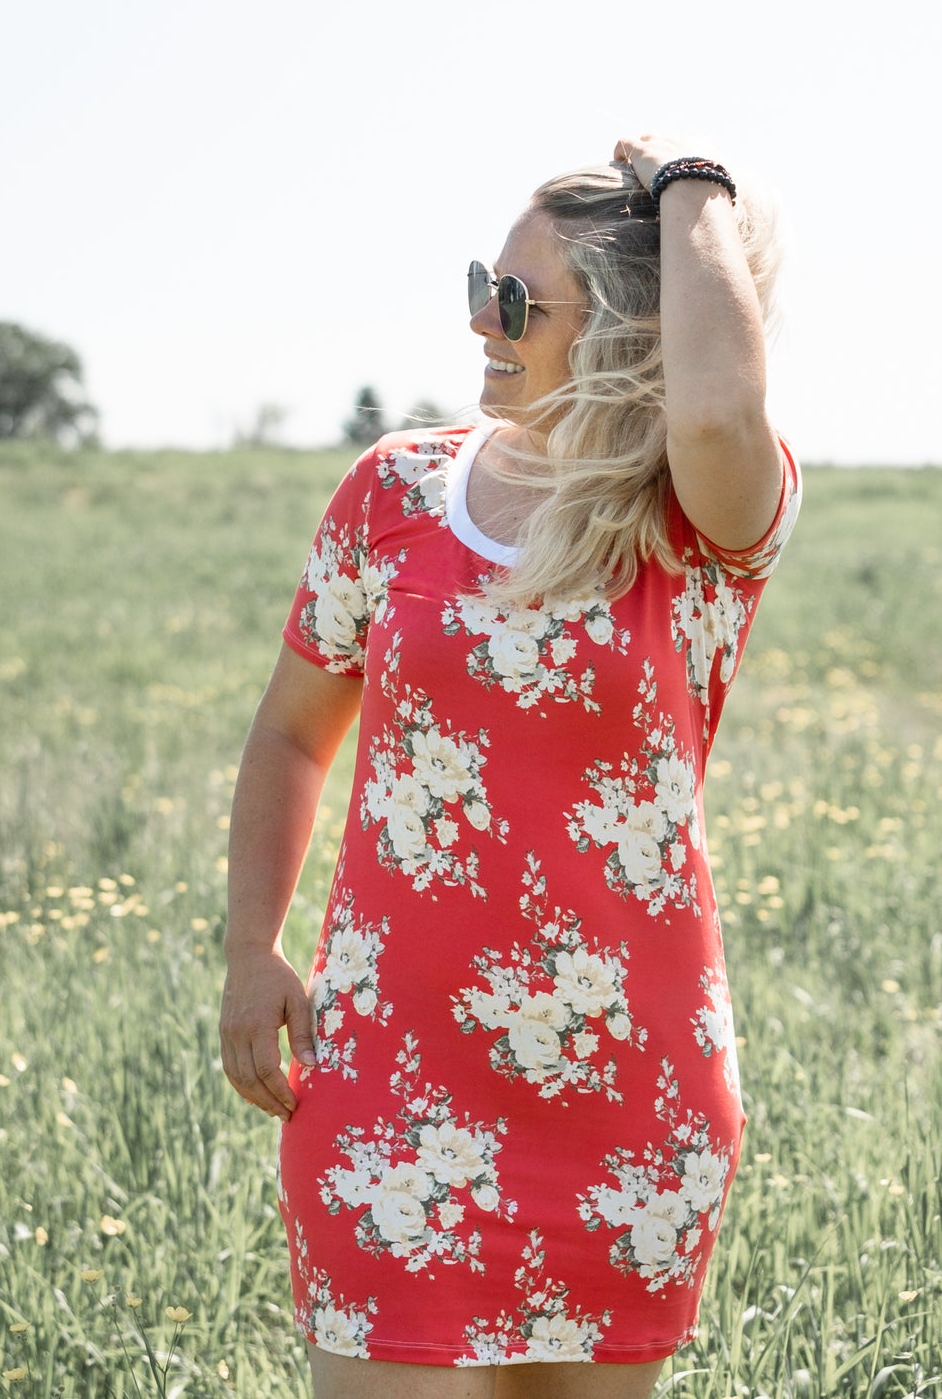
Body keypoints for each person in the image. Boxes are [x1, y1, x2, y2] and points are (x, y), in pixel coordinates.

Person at [220, 133, 801, 1399]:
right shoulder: (392, 492)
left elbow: (711, 405)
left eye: (519, 301)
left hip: (623, 1101)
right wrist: (253, 945)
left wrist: (692, 186)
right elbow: (288, 731)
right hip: (387, 1089)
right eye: (484, 280)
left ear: (626, 333)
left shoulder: (701, 521)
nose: (480, 318)